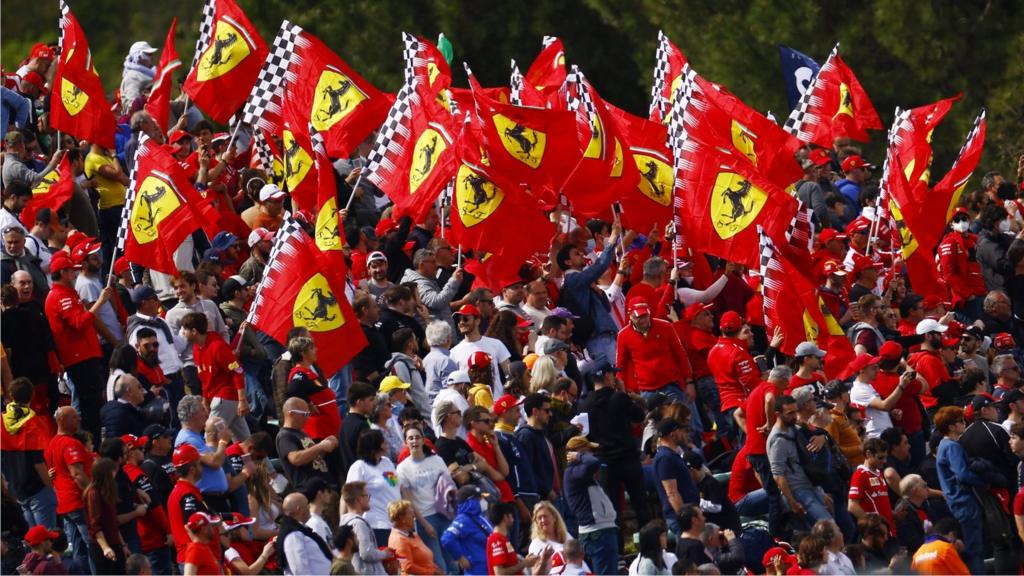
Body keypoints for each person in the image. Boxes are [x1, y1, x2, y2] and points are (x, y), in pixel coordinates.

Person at [45, 251, 112, 439]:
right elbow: (79, 322)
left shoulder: (65, 294)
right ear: (63, 272)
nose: (75, 275)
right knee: (90, 405)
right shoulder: (61, 297)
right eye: (71, 271)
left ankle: (93, 442)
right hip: (80, 358)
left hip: (84, 356)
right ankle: (92, 443)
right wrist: (100, 301)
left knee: (91, 402)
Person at [578, 358, 651, 530]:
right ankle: (651, 542)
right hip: (628, 458)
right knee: (641, 504)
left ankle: (618, 552)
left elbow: (584, 435)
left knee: (612, 509)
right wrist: (623, 391)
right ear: (608, 376)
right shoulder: (619, 397)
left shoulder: (584, 405)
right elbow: (639, 416)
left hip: (604, 462)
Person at [180, 312, 251, 442]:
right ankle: (259, 462)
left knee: (210, 438)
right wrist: (205, 400)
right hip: (219, 398)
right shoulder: (197, 349)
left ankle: (209, 462)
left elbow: (237, 370)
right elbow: (205, 378)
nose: (182, 333)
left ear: (194, 331)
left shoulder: (218, 346)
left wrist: (242, 399)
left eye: (184, 329)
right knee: (245, 443)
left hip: (225, 398)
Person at [933, 406, 985, 574]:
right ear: (951, 426)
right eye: (960, 421)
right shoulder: (952, 446)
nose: (964, 424)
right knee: (974, 549)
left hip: (955, 502)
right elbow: (962, 474)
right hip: (965, 501)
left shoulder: (942, 445)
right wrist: (983, 481)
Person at [767, 395, 833, 529]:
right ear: (778, 414)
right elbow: (778, 475)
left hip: (811, 486)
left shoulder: (794, 428)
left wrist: (822, 438)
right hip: (798, 491)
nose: (794, 416)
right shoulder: (777, 440)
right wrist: (792, 502)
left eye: (795, 412)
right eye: (789, 413)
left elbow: (820, 434)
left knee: (830, 521)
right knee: (828, 526)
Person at [396, 425, 454, 573]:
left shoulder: (437, 460)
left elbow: (450, 487)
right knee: (438, 563)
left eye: (417, 437)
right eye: (410, 438)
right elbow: (409, 501)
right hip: (426, 518)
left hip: (445, 514)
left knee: (453, 559)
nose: (414, 441)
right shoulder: (402, 468)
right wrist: (424, 524)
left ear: (423, 440)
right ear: (406, 443)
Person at [0, 377, 55, 530]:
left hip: (18, 490)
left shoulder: (2, 422)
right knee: (47, 540)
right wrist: (51, 487)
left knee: (34, 542)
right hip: (39, 488)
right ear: (32, 395)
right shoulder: (34, 423)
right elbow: (38, 462)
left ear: (11, 395)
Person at [45, 406, 93, 571]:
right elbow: (78, 474)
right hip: (78, 501)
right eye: (74, 417)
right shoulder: (70, 444)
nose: (78, 419)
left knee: (79, 548)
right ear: (62, 420)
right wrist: (95, 494)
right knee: (94, 546)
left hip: (64, 505)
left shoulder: (51, 444)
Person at [617, 297, 693, 400]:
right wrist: (621, 390)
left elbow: (680, 355)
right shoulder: (623, 336)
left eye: (645, 315)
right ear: (630, 316)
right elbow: (621, 366)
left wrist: (689, 381)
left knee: (684, 415)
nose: (644, 320)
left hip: (672, 385)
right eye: (639, 317)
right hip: (647, 391)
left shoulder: (665, 326)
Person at [563, 435, 618, 575]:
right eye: (588, 451)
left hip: (601, 532)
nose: (592, 454)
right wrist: (580, 456)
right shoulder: (573, 472)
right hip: (596, 534)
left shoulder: (580, 473)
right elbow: (593, 463)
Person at [345, 430, 401, 546]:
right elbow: (349, 496)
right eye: (383, 442)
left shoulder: (387, 462)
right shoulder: (359, 467)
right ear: (374, 446)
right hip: (378, 525)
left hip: (397, 523)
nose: (386, 444)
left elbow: (393, 486)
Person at [450, 303, 512, 398]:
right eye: (459, 320)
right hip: (473, 407)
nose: (461, 323)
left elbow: (509, 373)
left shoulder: (496, 344)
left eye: (465, 319)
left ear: (477, 321)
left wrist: (506, 395)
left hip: (496, 402)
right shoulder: (454, 352)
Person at [276, 397, 338, 490]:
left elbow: (313, 456)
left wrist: (326, 443)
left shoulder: (301, 432)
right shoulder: (285, 436)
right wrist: (320, 447)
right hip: (309, 491)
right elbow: (296, 459)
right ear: (291, 414)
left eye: (308, 414)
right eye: (304, 414)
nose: (307, 417)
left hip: (323, 487)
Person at [652, 419, 700, 533]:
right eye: (681, 430)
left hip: (689, 513)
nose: (685, 434)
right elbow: (672, 492)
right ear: (673, 434)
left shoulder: (671, 455)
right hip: (680, 518)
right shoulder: (665, 458)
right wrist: (685, 518)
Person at [85, 458, 128, 574]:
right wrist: (105, 548)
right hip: (102, 547)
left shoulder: (107, 491)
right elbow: (95, 525)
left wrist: (123, 544)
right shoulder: (94, 493)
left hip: (115, 544)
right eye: (113, 471)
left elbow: (113, 523)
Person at [339, 481, 391, 575]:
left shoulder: (345, 522)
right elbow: (366, 553)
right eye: (367, 496)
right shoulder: (359, 524)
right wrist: (385, 553)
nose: (369, 499)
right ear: (359, 499)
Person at [441, 485, 493, 575]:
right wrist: (460, 558)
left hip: (489, 567)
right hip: (477, 570)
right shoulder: (464, 520)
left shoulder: (480, 517)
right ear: (471, 502)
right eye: (480, 499)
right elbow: (447, 538)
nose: (484, 501)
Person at [277, 493, 333, 576]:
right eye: (307, 505)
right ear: (299, 509)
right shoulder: (292, 535)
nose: (309, 507)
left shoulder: (299, 529)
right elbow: (299, 570)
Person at [487, 501, 548, 575]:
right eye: (512, 516)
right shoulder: (496, 540)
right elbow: (499, 573)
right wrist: (524, 563)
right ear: (505, 517)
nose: (513, 520)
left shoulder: (503, 539)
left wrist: (525, 561)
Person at [847, 437, 894, 529]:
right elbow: (852, 506)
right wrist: (874, 525)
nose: (884, 461)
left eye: (886, 457)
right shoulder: (860, 475)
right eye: (880, 457)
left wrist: (892, 514)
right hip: (878, 534)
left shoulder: (878, 474)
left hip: (889, 529)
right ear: (868, 454)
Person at [388, 499, 442, 575]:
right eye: (410, 513)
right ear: (401, 518)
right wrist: (432, 573)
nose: (414, 517)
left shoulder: (413, 535)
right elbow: (407, 567)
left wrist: (435, 569)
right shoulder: (399, 540)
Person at [181, 511, 222, 576]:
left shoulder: (203, 547)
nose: (214, 528)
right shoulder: (195, 550)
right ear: (204, 529)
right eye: (211, 525)